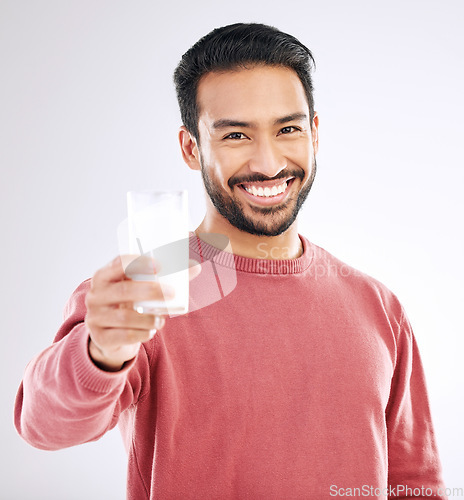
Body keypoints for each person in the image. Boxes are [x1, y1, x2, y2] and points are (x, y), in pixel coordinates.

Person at [15, 23, 447, 499]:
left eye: (288, 129)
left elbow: (416, 485)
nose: (268, 163)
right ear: (190, 148)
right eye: (237, 135)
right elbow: (44, 425)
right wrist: (100, 353)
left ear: (315, 133)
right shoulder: (144, 289)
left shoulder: (379, 306)